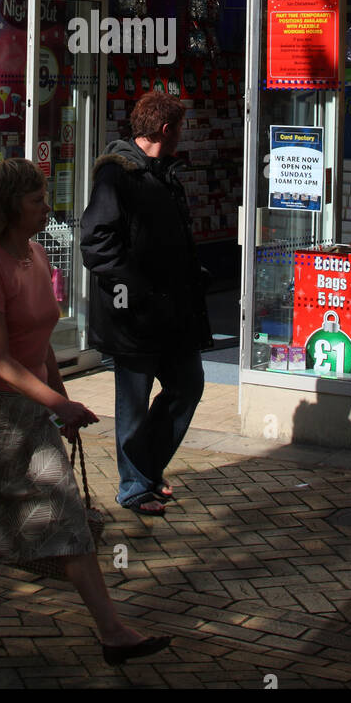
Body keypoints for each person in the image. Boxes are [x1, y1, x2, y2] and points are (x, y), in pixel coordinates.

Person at [0, 157, 169, 664]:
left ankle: (112, 632)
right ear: (9, 207)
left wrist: (55, 399)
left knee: (65, 511)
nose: (47, 207)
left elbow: (41, 340)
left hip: (29, 411)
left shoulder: (34, 255)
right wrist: (60, 404)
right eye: (36, 200)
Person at [80, 92, 212, 516]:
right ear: (166, 130)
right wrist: (133, 290)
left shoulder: (162, 172)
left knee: (187, 384)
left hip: (169, 312)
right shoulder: (117, 176)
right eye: (181, 128)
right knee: (132, 403)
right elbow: (97, 243)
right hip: (133, 316)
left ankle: (147, 469)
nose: (183, 135)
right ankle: (134, 485)